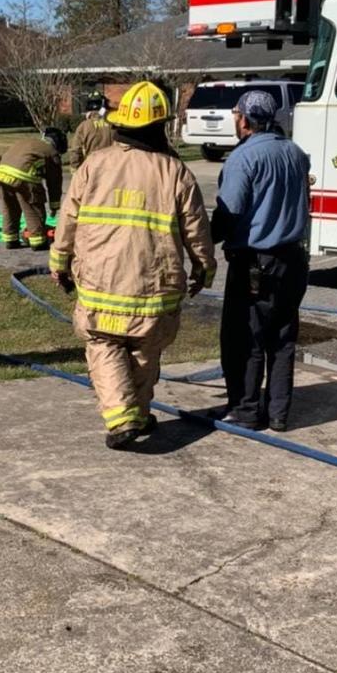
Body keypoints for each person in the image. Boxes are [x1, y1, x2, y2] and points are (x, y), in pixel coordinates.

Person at [50, 80, 216, 450]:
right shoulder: (175, 172)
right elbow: (196, 229)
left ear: (121, 125)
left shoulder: (94, 166)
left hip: (101, 283)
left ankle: (124, 418)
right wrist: (204, 267)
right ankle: (136, 414)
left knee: (104, 343)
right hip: (154, 290)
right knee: (144, 349)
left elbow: (68, 219)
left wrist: (59, 262)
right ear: (160, 127)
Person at [211, 88, 310, 431]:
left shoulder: (243, 158)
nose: (235, 119)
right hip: (293, 260)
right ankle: (279, 413)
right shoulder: (296, 153)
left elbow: (229, 212)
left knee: (245, 339)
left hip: (255, 261)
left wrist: (202, 238)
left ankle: (246, 410)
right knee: (282, 339)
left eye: (236, 113)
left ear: (245, 119)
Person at [0, 126, 65, 250]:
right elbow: (54, 183)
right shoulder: (51, 152)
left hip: (1, 175)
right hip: (23, 178)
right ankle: (37, 241)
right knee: (34, 208)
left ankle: (11, 239)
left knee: (10, 208)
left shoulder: (27, 142)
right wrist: (54, 206)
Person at [68, 92, 113, 168]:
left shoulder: (83, 126)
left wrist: (77, 168)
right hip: (112, 168)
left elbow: (75, 150)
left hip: (92, 168)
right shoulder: (114, 125)